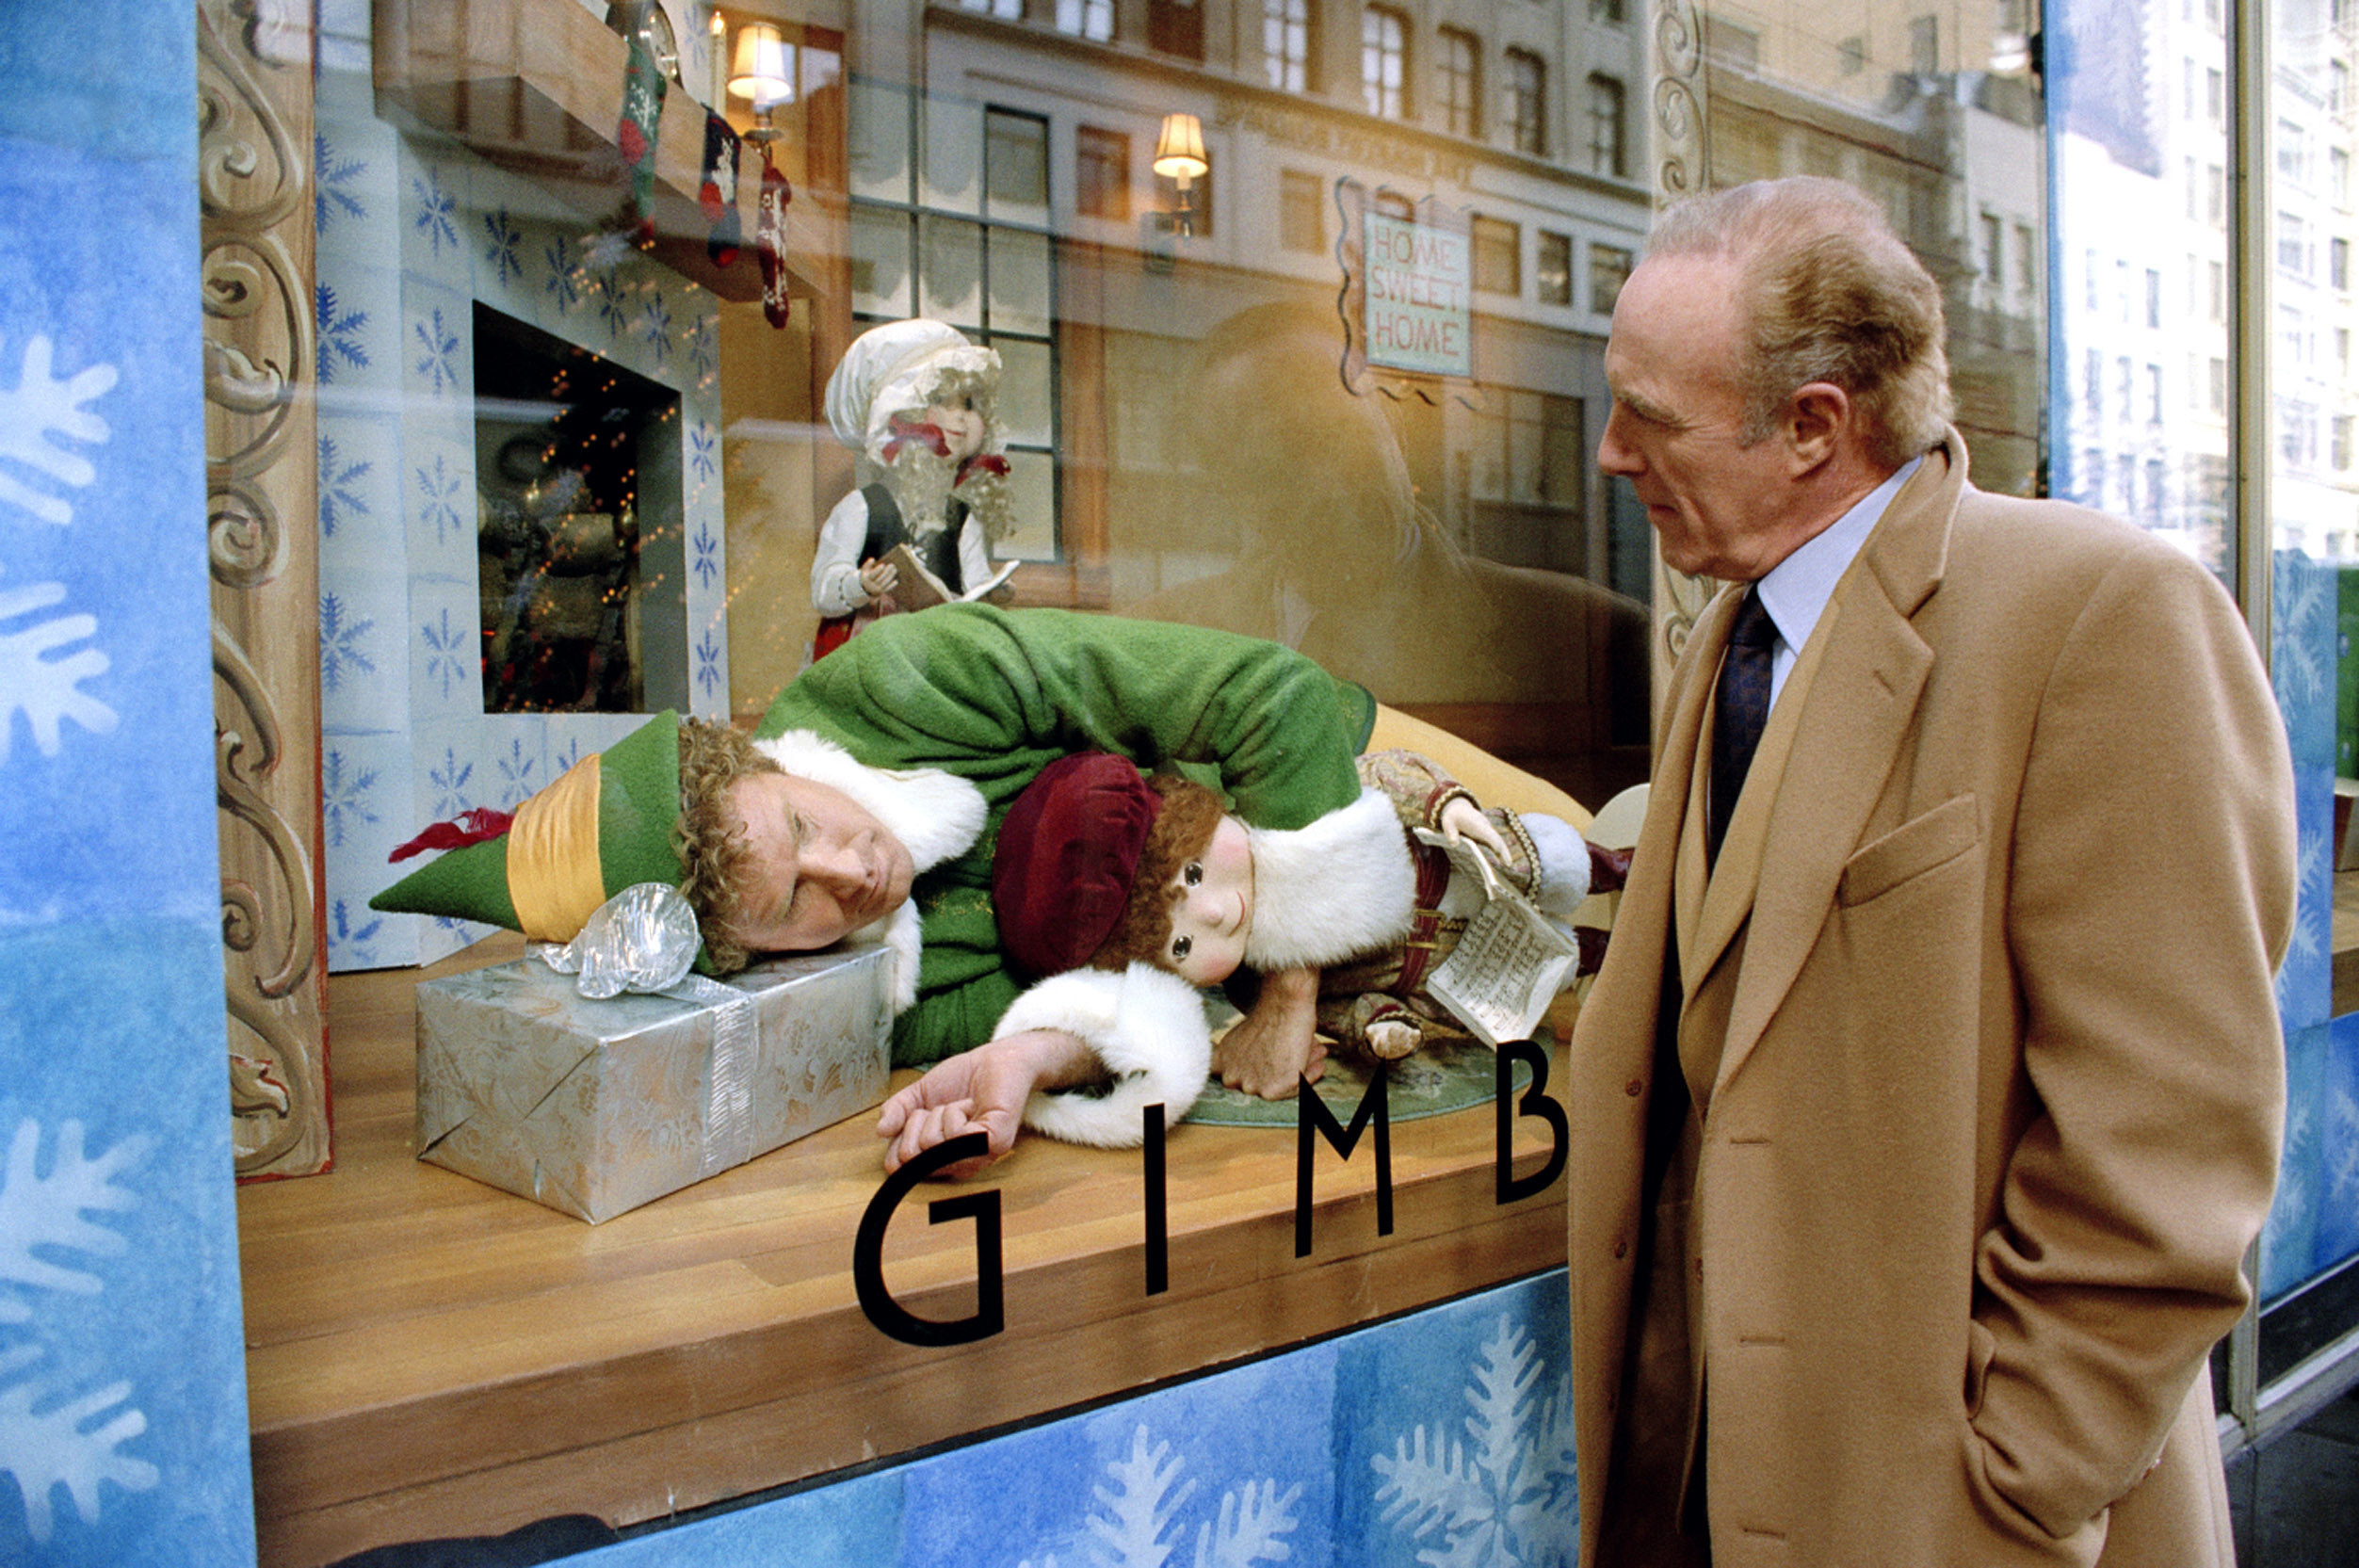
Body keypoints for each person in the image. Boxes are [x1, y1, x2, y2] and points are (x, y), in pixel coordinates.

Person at [1569, 175, 2294, 1566]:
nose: (1610, 452)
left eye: (1649, 416)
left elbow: (2171, 1132)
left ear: (1813, 427)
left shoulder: (2102, 611)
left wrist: (2018, 1482)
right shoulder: (1731, 632)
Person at [372, 606, 1589, 1175]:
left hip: (1340, 784)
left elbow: (1262, 693)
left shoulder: (907, 679)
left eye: (806, 826)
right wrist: (1022, 1065)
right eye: (789, 902)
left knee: (1602, 862)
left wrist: (1292, 981)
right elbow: (1059, 1007)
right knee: (1569, 1002)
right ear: (744, 958)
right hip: (1229, 958)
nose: (847, 875)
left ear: (765, 759)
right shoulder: (868, 989)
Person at [937, 749, 1622, 1159]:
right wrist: (1378, 1027)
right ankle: (1621, 958)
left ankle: (1627, 868)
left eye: (1195, 875)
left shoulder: (1310, 818)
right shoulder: (1249, 989)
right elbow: (1338, 1011)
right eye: (1181, 944)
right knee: (1566, 962)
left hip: (1482, 865)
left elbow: (1383, 775)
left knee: (1562, 863)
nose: (1215, 911)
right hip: (1449, 969)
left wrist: (1446, 806)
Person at [808, 318, 1013, 659]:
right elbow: (823, 588)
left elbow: (973, 579)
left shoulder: (962, 517)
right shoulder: (863, 507)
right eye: (942, 402)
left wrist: (990, 593)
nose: (960, 418)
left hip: (940, 650)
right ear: (905, 412)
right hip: (872, 652)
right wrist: (859, 584)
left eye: (968, 405)